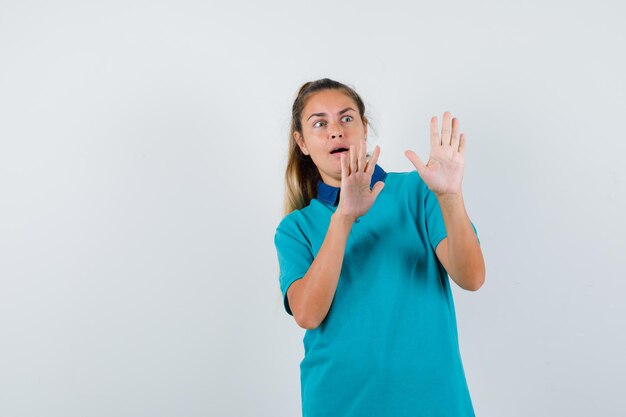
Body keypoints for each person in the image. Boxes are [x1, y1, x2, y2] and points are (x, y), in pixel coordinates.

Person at [274, 78, 486, 417]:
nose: (335, 131)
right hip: (340, 403)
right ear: (301, 142)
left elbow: (472, 277)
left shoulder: (417, 191)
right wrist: (343, 217)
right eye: (319, 123)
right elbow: (308, 314)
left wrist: (449, 197)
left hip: (431, 401)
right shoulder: (295, 228)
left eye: (346, 118)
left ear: (364, 127)